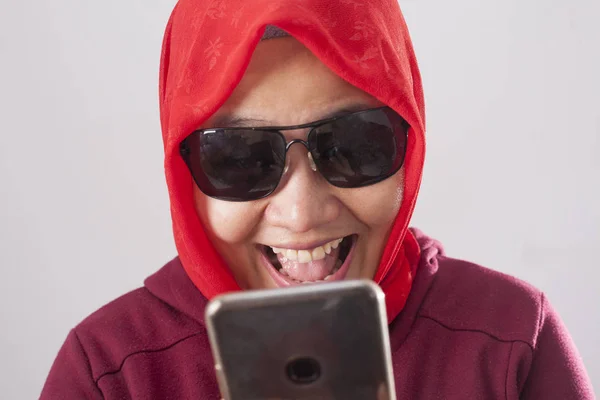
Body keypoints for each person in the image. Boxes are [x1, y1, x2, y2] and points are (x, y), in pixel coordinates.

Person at [40, 0, 595, 398]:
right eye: (239, 157)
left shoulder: (512, 338)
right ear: (182, 173)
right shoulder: (109, 374)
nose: (303, 213)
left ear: (410, 140)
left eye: (353, 144)